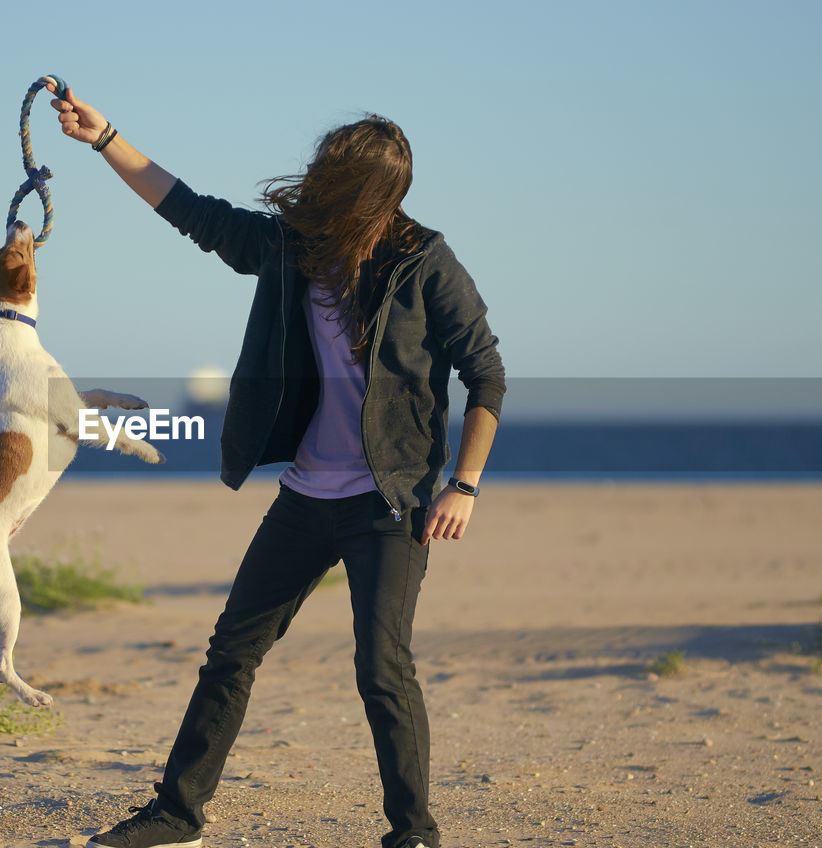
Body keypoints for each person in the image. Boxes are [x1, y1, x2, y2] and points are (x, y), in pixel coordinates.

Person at [48, 83, 505, 848]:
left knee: (381, 669)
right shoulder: (295, 247)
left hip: (388, 503)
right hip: (305, 496)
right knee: (231, 652)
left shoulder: (424, 260)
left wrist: (463, 485)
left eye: (337, 182)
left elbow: (485, 374)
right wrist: (104, 139)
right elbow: (195, 213)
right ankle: (176, 814)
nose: (319, 189)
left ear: (372, 196)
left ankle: (414, 833)